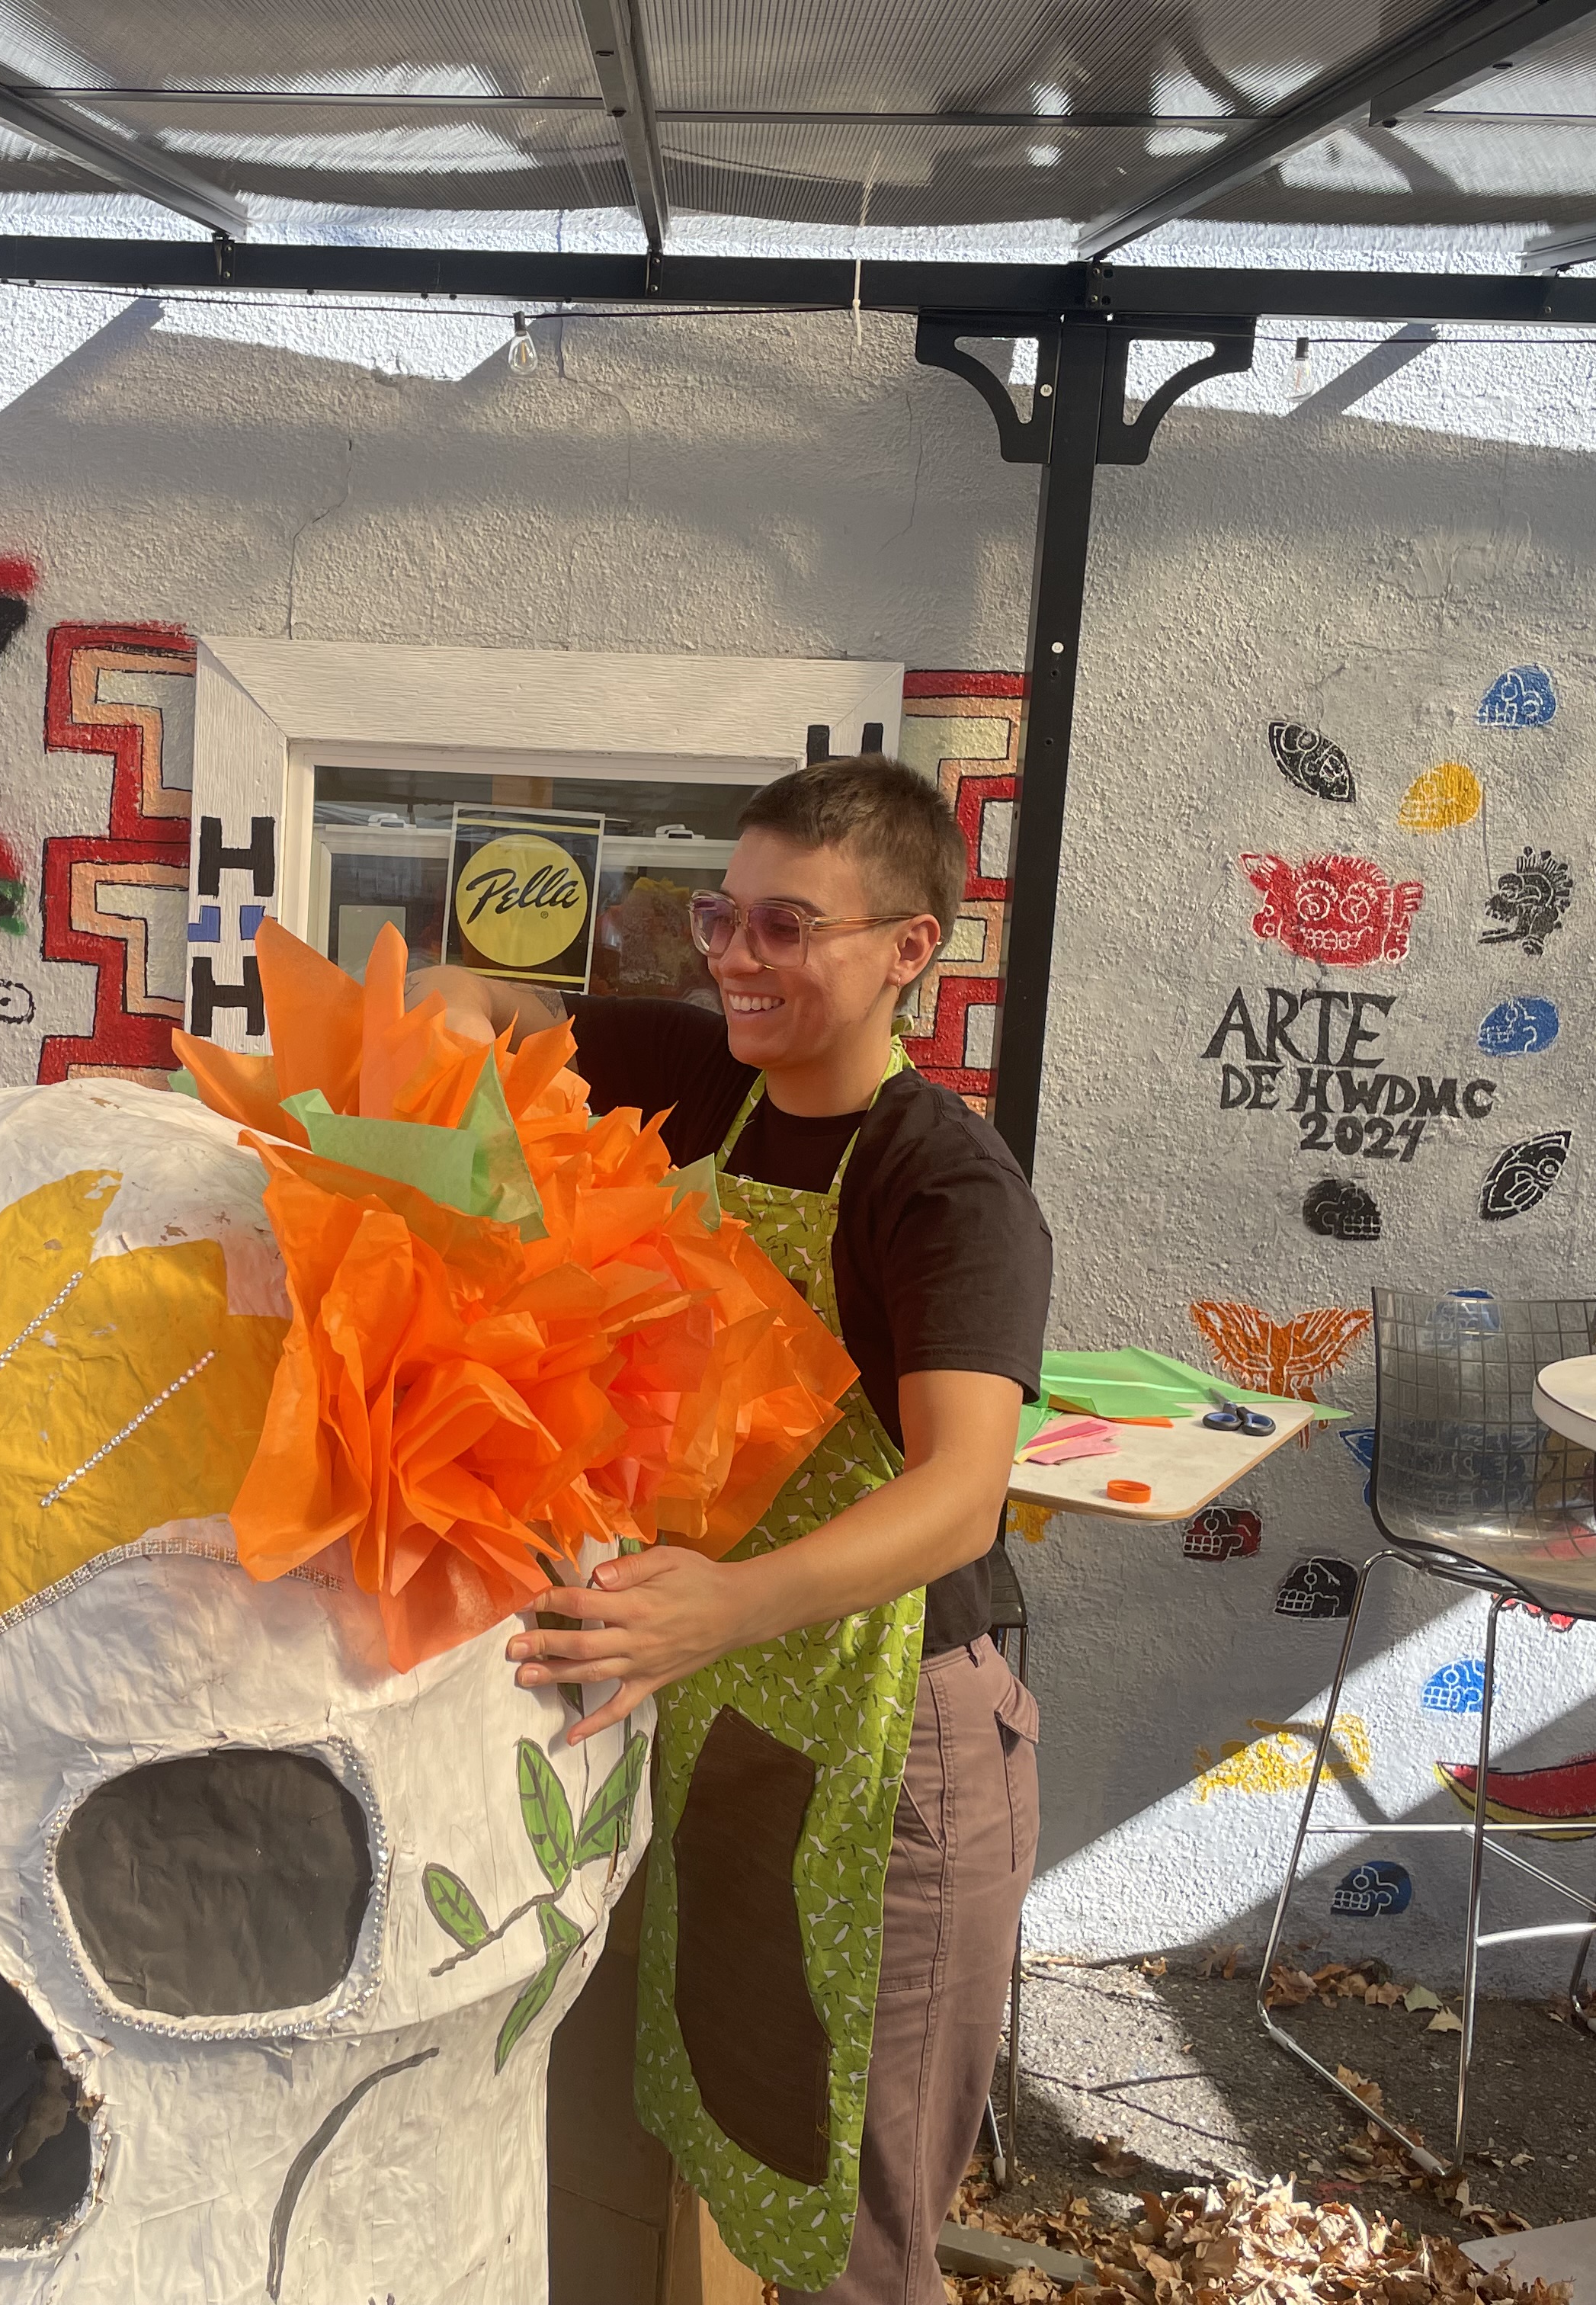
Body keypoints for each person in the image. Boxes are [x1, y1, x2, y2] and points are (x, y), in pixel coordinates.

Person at [417, 754, 1051, 2305]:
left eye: (787, 927)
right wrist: (433, 1078)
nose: (737, 961)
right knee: (722, 2115)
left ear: (909, 949)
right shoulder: (698, 1078)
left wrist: (724, 1606)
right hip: (724, 1711)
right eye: (723, 918)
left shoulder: (945, 1188)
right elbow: (467, 998)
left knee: (849, 2205)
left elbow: (960, 1490)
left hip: (897, 1740)